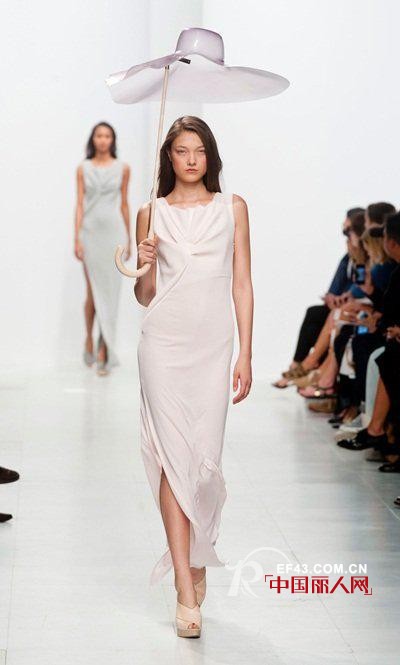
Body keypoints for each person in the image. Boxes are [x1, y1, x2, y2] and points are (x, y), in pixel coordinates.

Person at [134, 116, 253, 638]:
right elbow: (145, 296)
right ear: (169, 157)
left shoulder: (233, 208)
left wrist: (246, 352)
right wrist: (144, 260)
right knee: (170, 458)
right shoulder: (150, 212)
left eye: (199, 150)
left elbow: (242, 283)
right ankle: (184, 586)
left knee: (204, 463)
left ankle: (198, 550)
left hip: (212, 347)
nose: (190, 160)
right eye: (181, 150)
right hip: (162, 344)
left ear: (210, 156)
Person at [74, 122, 131, 375]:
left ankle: (104, 348)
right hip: (90, 233)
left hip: (114, 234)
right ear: (93, 139)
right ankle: (89, 337)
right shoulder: (83, 168)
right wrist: (76, 238)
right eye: (99, 135)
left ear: (112, 140)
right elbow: (79, 204)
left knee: (111, 294)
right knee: (92, 292)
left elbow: (125, 204)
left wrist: (129, 238)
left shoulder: (123, 168)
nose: (103, 140)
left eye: (107, 136)